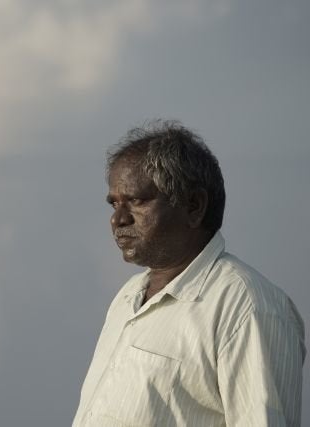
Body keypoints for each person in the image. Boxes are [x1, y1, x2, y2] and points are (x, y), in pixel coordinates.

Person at [72, 120, 305, 426]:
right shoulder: (128, 296)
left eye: (137, 200)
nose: (118, 219)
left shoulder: (247, 305)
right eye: (114, 203)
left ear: (193, 206)